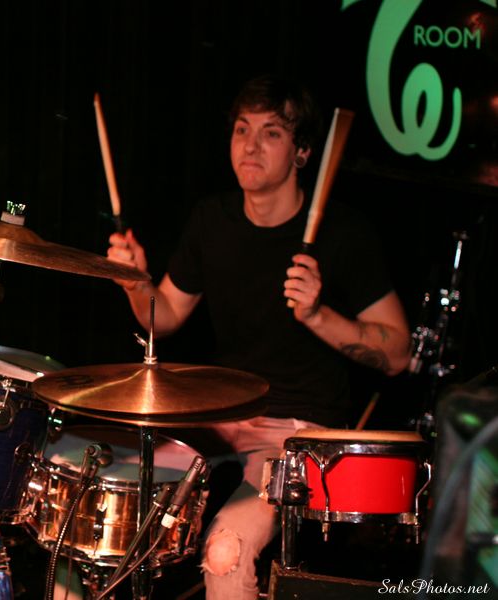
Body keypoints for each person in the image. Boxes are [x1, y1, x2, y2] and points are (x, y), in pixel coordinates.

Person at [106, 74, 411, 600]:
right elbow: (166, 317)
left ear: (302, 152)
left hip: (297, 432)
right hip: (220, 415)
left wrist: (317, 315)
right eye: (242, 129)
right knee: (110, 504)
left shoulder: (343, 233)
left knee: (226, 551)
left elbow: (398, 353)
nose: (250, 145)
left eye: (271, 133)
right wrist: (136, 282)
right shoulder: (213, 219)